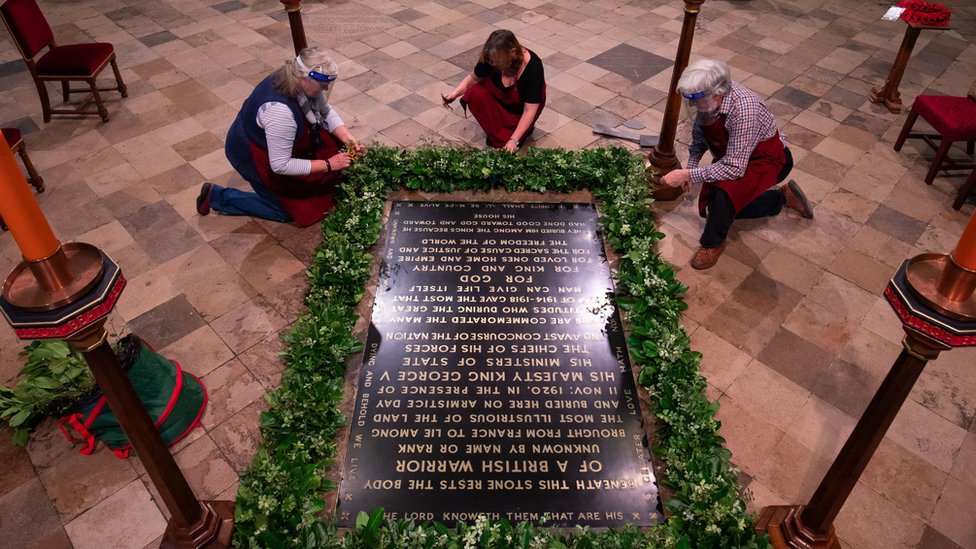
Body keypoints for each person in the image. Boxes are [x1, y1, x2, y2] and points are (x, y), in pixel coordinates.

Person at [660, 58, 813, 270]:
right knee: (718, 205)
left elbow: (734, 167)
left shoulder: (744, 109)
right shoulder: (709, 102)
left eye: (696, 100)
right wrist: (692, 166)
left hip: (767, 160)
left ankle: (712, 244)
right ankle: (781, 198)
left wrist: (687, 176)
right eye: (690, 100)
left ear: (718, 93)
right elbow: (699, 136)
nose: (693, 105)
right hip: (736, 156)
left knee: (723, 197)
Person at [196, 46, 363, 228]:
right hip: (250, 152)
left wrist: (348, 138)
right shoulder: (280, 112)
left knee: (332, 149)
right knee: (285, 211)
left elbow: (324, 111)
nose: (326, 87)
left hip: (275, 138)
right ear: (303, 79)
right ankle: (217, 196)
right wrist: (330, 164)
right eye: (323, 84)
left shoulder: (299, 79)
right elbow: (280, 165)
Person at [441, 30, 546, 153]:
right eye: (492, 60)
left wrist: (514, 140)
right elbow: (474, 77)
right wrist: (455, 93)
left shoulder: (533, 67)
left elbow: (530, 110)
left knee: (509, 141)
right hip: (501, 97)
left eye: (498, 60)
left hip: (521, 107)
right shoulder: (492, 55)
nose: (494, 63)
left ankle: (522, 131)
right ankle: (500, 131)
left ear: (513, 52)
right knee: (475, 93)